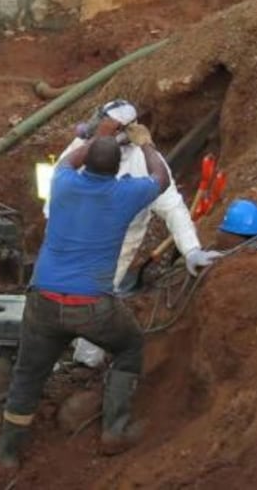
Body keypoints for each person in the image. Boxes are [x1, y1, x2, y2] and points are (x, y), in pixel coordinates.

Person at [0, 127, 169, 468]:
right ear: (118, 170)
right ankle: (115, 428)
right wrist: (146, 143)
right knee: (129, 347)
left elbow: (72, 158)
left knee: (29, 373)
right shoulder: (125, 193)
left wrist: (98, 137)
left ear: (87, 161)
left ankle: (7, 450)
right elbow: (161, 178)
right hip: (93, 307)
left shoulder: (63, 181)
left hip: (43, 300)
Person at [47, 99, 222, 367]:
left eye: (104, 122)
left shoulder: (143, 162)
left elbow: (173, 207)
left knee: (97, 302)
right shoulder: (79, 150)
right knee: (58, 297)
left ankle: (83, 364)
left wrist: (191, 249)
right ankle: (56, 349)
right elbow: (54, 195)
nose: (95, 124)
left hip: (115, 248)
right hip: (72, 239)